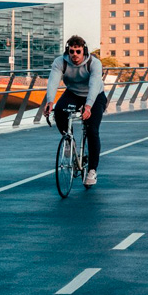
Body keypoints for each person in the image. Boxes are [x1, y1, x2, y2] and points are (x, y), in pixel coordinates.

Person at [41, 36, 107, 186]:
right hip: (73, 93)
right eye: (72, 51)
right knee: (58, 112)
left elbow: (94, 85)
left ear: (84, 51)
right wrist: (50, 101)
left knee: (92, 130)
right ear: (68, 51)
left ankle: (92, 171)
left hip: (95, 95)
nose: (75, 55)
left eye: (78, 51)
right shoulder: (61, 62)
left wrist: (88, 106)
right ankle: (69, 142)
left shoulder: (94, 63)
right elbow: (53, 81)